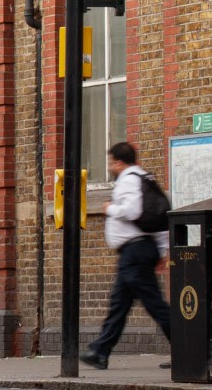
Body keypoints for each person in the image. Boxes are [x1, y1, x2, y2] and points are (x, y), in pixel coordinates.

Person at [80, 141, 171, 370]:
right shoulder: (143, 178)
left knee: (155, 304)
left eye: (111, 162)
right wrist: (160, 250)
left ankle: (190, 348)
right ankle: (100, 352)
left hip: (135, 252)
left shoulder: (129, 180)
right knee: (119, 304)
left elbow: (133, 211)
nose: (110, 167)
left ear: (119, 162)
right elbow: (159, 220)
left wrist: (109, 208)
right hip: (138, 250)